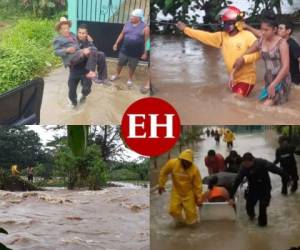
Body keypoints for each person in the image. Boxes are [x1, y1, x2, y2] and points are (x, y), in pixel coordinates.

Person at [176, 6, 260, 97]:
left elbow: (259, 53)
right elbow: (204, 36)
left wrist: (244, 59)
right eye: (223, 22)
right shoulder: (222, 37)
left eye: (226, 22)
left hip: (247, 79)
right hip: (233, 79)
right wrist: (186, 29)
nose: (223, 25)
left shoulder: (247, 35)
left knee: (235, 100)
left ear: (234, 23)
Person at [233, 14, 291, 106]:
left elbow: (286, 68)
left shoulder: (282, 43)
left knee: (265, 106)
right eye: (262, 29)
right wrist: (241, 57)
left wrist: (273, 85)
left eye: (266, 30)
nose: (263, 32)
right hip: (268, 79)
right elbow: (250, 50)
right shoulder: (261, 40)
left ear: (275, 30)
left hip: (281, 80)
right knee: (257, 104)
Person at [229, 153, 287, 227]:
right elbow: (237, 181)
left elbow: (275, 169)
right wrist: (231, 197)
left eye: (247, 164)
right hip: (253, 189)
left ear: (253, 160)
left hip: (265, 188)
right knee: (249, 207)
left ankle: (262, 228)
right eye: (244, 164)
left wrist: (285, 176)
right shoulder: (243, 168)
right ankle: (252, 218)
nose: (246, 166)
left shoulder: (262, 163)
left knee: (262, 208)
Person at [53, 17, 97, 107]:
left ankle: (83, 95)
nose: (66, 30)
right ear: (60, 29)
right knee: (71, 90)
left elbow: (94, 52)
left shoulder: (87, 41)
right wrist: (67, 50)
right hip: (74, 70)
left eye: (67, 28)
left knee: (87, 89)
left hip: (85, 69)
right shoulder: (63, 39)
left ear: (87, 33)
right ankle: (73, 103)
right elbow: (56, 52)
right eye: (63, 28)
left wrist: (91, 43)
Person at [244, 20, 300, 85]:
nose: (278, 30)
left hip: (292, 80)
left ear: (288, 31)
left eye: (281, 28)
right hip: (274, 78)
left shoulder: (293, 44)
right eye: (278, 28)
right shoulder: (275, 40)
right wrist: (247, 27)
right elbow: (261, 33)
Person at [158, 149, 203, 225]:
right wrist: (161, 185)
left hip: (189, 193)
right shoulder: (173, 163)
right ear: (181, 159)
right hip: (176, 192)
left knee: (192, 217)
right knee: (173, 211)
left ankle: (190, 229)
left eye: (188, 162)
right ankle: (181, 223)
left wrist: (198, 197)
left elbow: (198, 185)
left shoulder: (195, 170)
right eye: (185, 161)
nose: (187, 163)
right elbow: (163, 172)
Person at [111, 9, 150, 88]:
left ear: (138, 18)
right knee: (120, 64)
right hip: (124, 50)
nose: (131, 17)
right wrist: (116, 43)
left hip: (135, 52)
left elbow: (147, 41)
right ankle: (117, 74)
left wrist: (145, 53)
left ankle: (130, 79)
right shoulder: (127, 24)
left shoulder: (145, 28)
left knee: (132, 66)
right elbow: (122, 34)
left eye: (133, 16)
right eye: (131, 16)